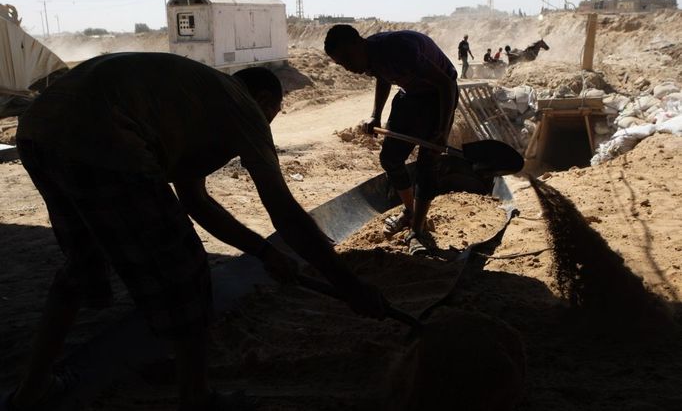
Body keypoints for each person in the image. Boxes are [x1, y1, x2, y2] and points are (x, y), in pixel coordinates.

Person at [5, 52, 387, 411]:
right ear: (265, 98)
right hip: (102, 137)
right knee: (184, 267)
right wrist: (348, 285)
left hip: (39, 131)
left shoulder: (198, 98)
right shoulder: (242, 106)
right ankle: (196, 399)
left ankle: (32, 388)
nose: (269, 123)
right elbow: (284, 211)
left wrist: (265, 253)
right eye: (275, 112)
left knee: (82, 264)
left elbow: (195, 200)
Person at [324, 25, 458, 255]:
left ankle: (417, 231)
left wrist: (442, 130)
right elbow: (383, 77)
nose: (347, 67)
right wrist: (376, 114)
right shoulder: (368, 57)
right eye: (340, 64)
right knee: (390, 158)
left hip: (438, 96)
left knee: (427, 164)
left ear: (358, 42)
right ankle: (410, 211)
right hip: (410, 95)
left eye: (347, 58)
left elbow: (446, 84)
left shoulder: (398, 50)